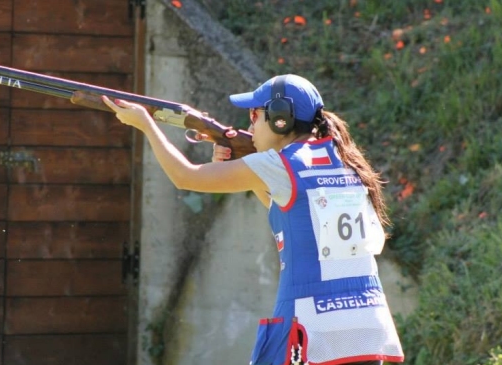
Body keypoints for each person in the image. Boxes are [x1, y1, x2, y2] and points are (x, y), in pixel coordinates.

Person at [102, 74, 404, 365]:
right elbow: (289, 212)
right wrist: (244, 167)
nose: (252, 124)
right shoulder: (348, 163)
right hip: (365, 329)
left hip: (309, 328)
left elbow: (184, 177)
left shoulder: (279, 165)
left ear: (280, 118)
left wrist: (145, 124)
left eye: (255, 116)